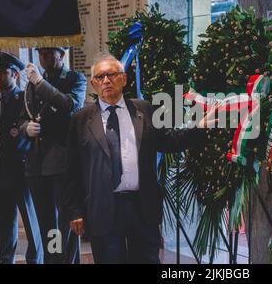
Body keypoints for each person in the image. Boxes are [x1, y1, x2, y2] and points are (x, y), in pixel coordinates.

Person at [63, 54, 217, 264]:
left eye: (111, 75)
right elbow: (72, 170)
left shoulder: (143, 109)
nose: (106, 81)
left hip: (141, 206)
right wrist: (75, 211)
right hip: (103, 208)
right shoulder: (81, 120)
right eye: (100, 77)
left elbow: (168, 140)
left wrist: (199, 128)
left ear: (123, 79)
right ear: (93, 83)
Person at [19, 47, 87, 264]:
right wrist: (25, 127)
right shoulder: (33, 83)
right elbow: (22, 116)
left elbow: (69, 105)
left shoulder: (75, 78)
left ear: (62, 55)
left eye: (49, 53)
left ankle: (66, 261)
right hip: (37, 164)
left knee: (66, 224)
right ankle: (52, 260)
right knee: (47, 225)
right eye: (41, 54)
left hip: (62, 162)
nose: (44, 58)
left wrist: (40, 83)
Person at [0, 52, 43, 264]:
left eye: (4, 73)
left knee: (30, 221)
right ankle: (5, 259)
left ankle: (36, 260)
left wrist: (24, 130)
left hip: (21, 170)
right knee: (3, 224)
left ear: (16, 74)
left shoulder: (26, 98)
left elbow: (26, 126)